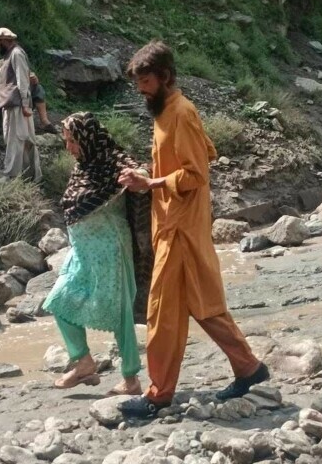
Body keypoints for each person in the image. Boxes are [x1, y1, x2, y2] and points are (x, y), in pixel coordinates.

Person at [117, 41, 269, 418]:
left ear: (165, 77)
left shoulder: (182, 112)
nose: (141, 90)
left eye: (147, 81)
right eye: (138, 83)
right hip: (174, 224)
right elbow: (196, 155)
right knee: (204, 306)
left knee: (161, 312)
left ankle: (158, 394)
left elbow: (197, 172)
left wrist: (151, 184)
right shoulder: (165, 111)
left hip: (180, 229)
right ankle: (249, 368)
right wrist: (147, 175)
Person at [43, 112, 148, 396]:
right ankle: (84, 362)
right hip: (83, 251)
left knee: (120, 311)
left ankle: (130, 378)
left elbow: (142, 173)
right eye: (67, 141)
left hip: (111, 248)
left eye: (72, 141)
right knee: (59, 300)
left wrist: (137, 177)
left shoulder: (113, 160)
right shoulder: (84, 167)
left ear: (87, 139)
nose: (69, 148)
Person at [0, 27, 41, 181]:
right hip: (12, 104)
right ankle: (28, 174)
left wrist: (25, 104)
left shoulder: (17, 54)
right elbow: (0, 74)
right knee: (17, 139)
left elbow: (22, 80)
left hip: (17, 105)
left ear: (4, 41)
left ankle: (11, 174)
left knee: (16, 140)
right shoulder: (10, 55)